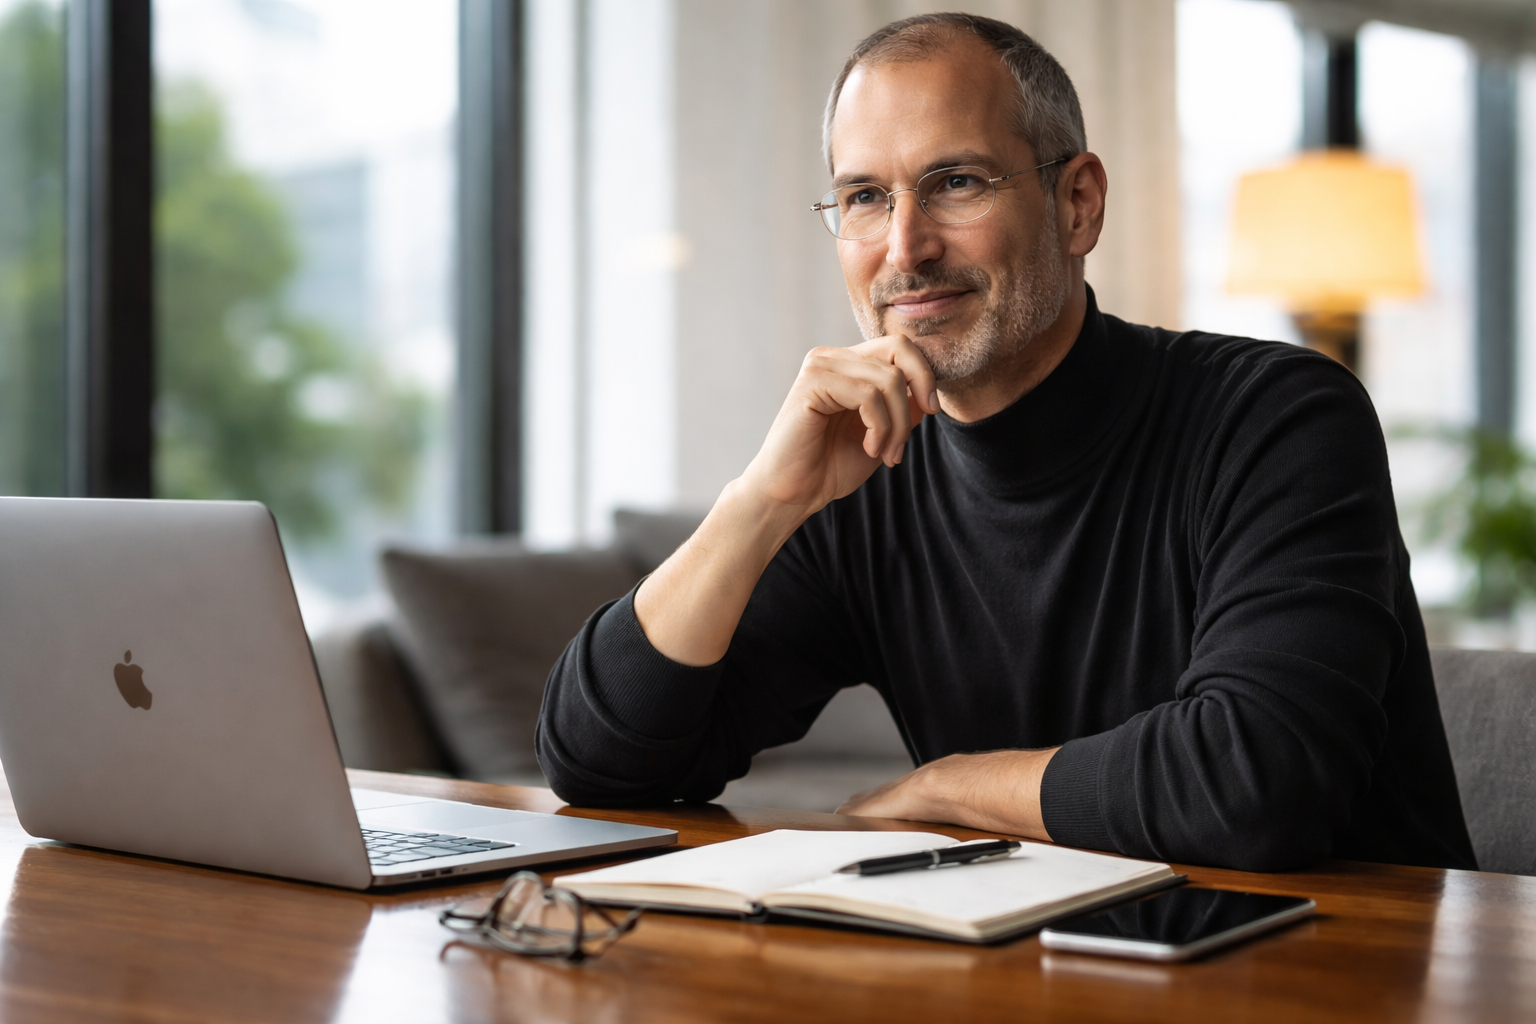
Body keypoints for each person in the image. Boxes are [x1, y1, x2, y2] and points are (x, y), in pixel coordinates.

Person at [536, 13, 1476, 872]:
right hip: (1033, 977)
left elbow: (1258, 785)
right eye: (864, 196)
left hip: (1329, 974)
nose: (905, 247)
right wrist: (760, 502)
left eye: (954, 182)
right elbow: (599, 763)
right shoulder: (865, 477)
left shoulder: (1278, 418)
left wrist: (944, 788)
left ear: (1078, 205)